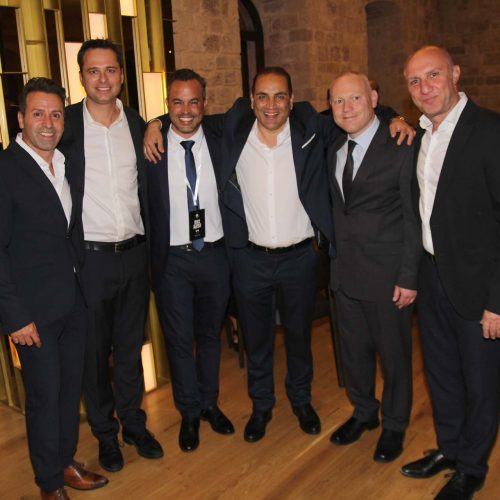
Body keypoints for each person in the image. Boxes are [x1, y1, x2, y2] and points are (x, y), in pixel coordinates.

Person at [144, 67, 415, 443]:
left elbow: (358, 113)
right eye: (262, 96)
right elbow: (185, 115)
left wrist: (395, 116)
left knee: (300, 338)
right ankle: (261, 406)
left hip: (300, 259)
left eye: (279, 96)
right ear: (251, 101)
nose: (270, 105)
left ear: (291, 100)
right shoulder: (234, 128)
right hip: (249, 259)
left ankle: (301, 401)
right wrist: (154, 123)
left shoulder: (311, 129)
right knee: (257, 341)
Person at [400, 46, 500, 500]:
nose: (425, 88)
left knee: (480, 382)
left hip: (479, 284)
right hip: (432, 275)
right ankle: (451, 448)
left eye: (433, 75)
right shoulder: (421, 136)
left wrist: (497, 300)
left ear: (456, 74)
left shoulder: (490, 131)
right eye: (414, 81)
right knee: (441, 374)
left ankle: (472, 468)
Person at [0, 77, 107, 499]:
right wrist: (14, 315)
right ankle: (48, 484)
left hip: (72, 301)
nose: (48, 123)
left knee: (67, 392)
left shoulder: (65, 162)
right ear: (21, 119)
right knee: (44, 398)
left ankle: (64, 462)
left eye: (56, 114)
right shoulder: (5, 170)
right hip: (32, 313)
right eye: (38, 114)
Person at [60, 39, 163, 473]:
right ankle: (106, 434)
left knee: (130, 349)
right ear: (81, 76)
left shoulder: (137, 123)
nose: (102, 79)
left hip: (135, 256)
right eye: (93, 71)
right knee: (94, 354)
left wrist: (156, 121)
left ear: (122, 74)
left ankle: (134, 425)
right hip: (90, 261)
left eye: (110, 70)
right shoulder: (64, 125)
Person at [327, 72, 421, 463]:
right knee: (354, 353)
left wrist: (409, 276)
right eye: (338, 101)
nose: (347, 108)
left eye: (355, 98)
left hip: (388, 277)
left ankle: (395, 424)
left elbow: (415, 217)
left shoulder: (402, 145)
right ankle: (364, 412)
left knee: (394, 357)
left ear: (374, 99)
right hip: (345, 274)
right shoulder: (334, 146)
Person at [147, 68, 233, 452]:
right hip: (173, 262)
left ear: (205, 104)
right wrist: (153, 124)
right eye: (177, 102)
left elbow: (257, 108)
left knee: (210, 336)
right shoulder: (151, 147)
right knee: (180, 341)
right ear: (167, 104)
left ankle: (210, 403)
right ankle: (189, 413)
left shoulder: (220, 138)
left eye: (193, 102)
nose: (185, 110)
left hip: (214, 256)